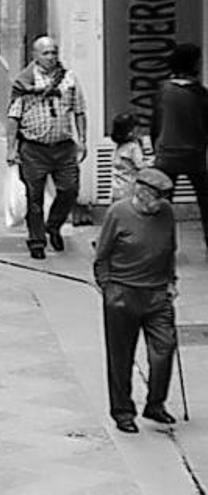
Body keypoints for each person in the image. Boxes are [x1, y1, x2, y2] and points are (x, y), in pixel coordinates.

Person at [94, 168, 178, 434]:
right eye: (157, 197)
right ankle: (122, 412)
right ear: (142, 193)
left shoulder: (166, 213)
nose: (161, 203)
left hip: (157, 294)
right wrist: (107, 287)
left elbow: (170, 249)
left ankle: (155, 403)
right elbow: (102, 255)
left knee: (164, 349)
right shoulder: (118, 213)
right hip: (122, 293)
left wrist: (171, 281)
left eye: (164, 197)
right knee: (121, 356)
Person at [6, 36, 87, 260]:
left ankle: (54, 225)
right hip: (34, 149)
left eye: (54, 52)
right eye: (46, 53)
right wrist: (11, 148)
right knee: (34, 198)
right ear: (35, 56)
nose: (51, 57)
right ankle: (37, 240)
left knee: (69, 190)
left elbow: (79, 110)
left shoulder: (68, 79)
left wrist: (83, 139)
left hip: (63, 148)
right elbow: (13, 117)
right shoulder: (24, 82)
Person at [150, 43, 208, 253]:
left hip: (167, 154)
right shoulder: (200, 93)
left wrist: (156, 148)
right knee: (205, 203)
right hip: (195, 155)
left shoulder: (163, 90)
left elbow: (155, 124)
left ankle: (162, 247)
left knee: (163, 204)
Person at [110, 112, 151, 202]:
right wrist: (151, 163)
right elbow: (140, 165)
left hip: (117, 187)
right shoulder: (133, 147)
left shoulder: (120, 146)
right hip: (130, 188)